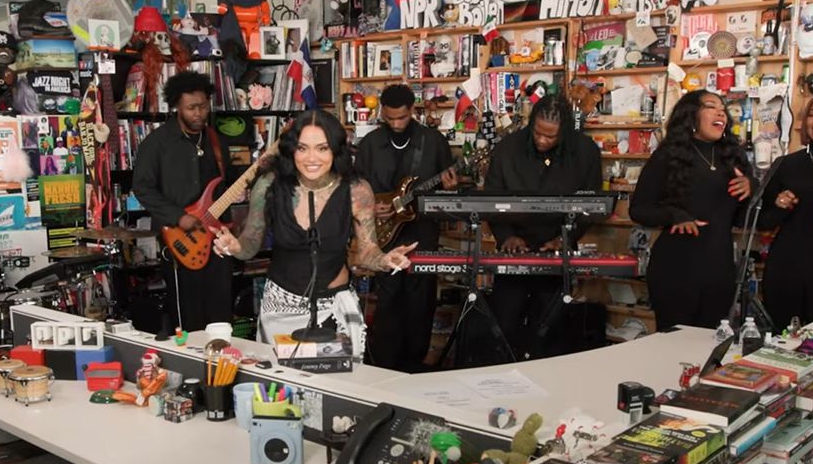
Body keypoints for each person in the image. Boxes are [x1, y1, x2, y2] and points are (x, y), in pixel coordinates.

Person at [210, 110, 415, 354]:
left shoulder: (356, 190)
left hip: (336, 306)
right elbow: (250, 245)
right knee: (280, 390)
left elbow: (367, 251)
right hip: (280, 307)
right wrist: (235, 247)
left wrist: (384, 260)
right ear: (291, 149)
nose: (311, 158)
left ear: (335, 150)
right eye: (303, 148)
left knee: (338, 387)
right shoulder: (269, 185)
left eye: (322, 148)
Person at [481, 93, 603, 363]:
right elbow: (492, 197)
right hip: (513, 252)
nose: (542, 140)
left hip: (557, 253)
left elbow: (591, 205)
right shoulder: (507, 148)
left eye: (551, 137)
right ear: (531, 122)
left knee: (552, 333)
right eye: (538, 133)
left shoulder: (585, 152)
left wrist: (566, 238)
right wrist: (506, 236)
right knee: (504, 328)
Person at [354, 84, 457, 372]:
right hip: (383, 235)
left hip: (422, 233)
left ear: (413, 111)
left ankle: (415, 368)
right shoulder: (370, 145)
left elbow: (446, 194)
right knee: (387, 303)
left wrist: (451, 188)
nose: (396, 124)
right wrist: (372, 205)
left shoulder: (433, 142)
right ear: (382, 114)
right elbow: (355, 190)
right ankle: (384, 369)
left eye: (401, 117)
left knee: (421, 302)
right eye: (390, 119)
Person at [630, 90, 752, 330]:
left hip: (720, 267)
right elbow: (639, 210)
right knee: (674, 349)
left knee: (710, 346)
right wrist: (675, 215)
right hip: (676, 267)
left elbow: (743, 216)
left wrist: (751, 186)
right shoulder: (668, 155)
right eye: (710, 106)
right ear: (691, 115)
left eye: (722, 108)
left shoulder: (733, 158)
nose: (720, 112)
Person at [132, 70, 234, 333]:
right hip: (179, 240)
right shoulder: (157, 144)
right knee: (188, 314)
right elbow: (142, 188)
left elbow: (225, 185)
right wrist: (178, 216)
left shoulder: (215, 141)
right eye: (191, 108)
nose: (199, 113)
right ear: (177, 106)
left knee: (221, 311)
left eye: (203, 106)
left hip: (216, 240)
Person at [758, 93, 813, 331]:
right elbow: (763, 223)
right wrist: (778, 206)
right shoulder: (786, 164)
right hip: (787, 268)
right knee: (782, 342)